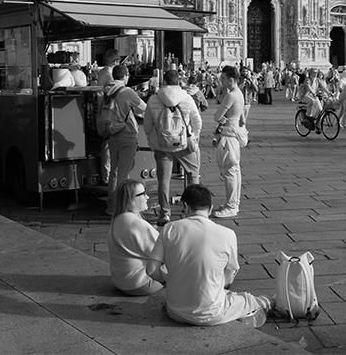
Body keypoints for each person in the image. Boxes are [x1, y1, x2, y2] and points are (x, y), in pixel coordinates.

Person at [146, 184, 273, 327]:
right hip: (211, 314)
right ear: (210, 209)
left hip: (175, 312)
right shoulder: (227, 234)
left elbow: (151, 270)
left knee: (224, 295)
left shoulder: (169, 229)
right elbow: (229, 277)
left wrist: (169, 280)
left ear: (186, 206)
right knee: (247, 299)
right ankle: (270, 303)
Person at [143, 69, 202, 227]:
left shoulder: (153, 99)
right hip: (184, 145)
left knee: (164, 180)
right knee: (193, 175)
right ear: (179, 82)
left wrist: (152, 141)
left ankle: (165, 214)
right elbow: (197, 121)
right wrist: (194, 137)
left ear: (164, 81)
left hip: (162, 146)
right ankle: (192, 210)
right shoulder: (187, 98)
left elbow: (147, 125)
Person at [102, 64, 146, 216]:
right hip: (127, 134)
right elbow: (143, 109)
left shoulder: (107, 89)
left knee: (113, 171)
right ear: (125, 75)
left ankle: (111, 206)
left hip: (113, 133)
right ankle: (120, 209)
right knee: (123, 173)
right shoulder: (127, 92)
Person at [108, 180, 164, 296]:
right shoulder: (135, 224)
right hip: (141, 284)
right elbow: (162, 253)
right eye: (142, 194)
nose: (147, 197)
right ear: (130, 199)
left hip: (121, 281)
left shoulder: (118, 218)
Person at [212, 65, 246, 219]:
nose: (221, 81)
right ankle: (233, 203)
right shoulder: (239, 93)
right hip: (234, 134)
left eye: (223, 79)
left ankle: (231, 206)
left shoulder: (230, 95)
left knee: (229, 172)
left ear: (231, 79)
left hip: (228, 136)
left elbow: (217, 116)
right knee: (235, 170)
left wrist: (222, 119)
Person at [97, 49, 122, 185]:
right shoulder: (109, 74)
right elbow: (117, 89)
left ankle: (108, 174)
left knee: (107, 142)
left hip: (103, 109)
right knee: (108, 143)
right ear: (115, 61)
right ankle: (107, 176)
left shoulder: (102, 72)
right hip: (109, 110)